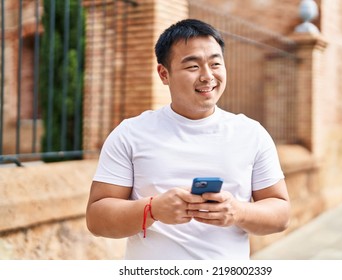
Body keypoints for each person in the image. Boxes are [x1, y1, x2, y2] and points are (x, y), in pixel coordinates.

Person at [86, 19, 290, 260]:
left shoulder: (251, 133)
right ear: (164, 74)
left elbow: (281, 213)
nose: (207, 76)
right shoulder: (130, 133)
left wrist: (237, 212)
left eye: (215, 63)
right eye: (193, 66)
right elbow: (97, 219)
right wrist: (152, 210)